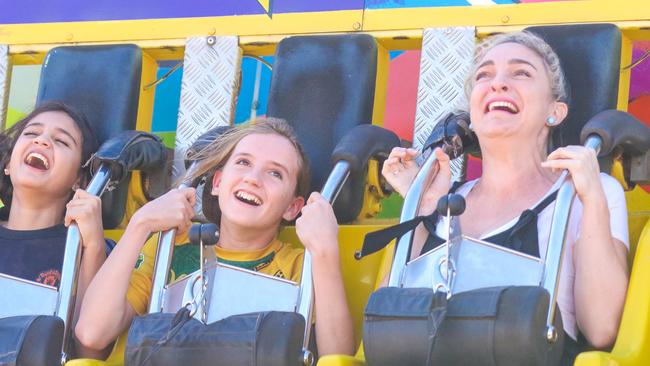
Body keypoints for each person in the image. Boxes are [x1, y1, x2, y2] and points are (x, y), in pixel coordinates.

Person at [382, 31, 628, 362]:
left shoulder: (583, 194)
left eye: (521, 72)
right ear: (469, 117)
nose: (497, 83)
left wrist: (593, 200)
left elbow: (601, 328)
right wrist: (423, 208)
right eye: (485, 75)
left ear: (554, 111)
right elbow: (386, 325)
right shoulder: (437, 204)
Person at [75, 117, 355, 360]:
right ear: (218, 183)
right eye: (244, 162)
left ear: (292, 207)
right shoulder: (167, 249)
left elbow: (338, 358)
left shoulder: (300, 267)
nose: (253, 179)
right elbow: (92, 334)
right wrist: (141, 223)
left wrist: (325, 252)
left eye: (275, 173)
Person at [0, 101, 107, 331]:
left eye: (61, 141)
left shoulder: (86, 249)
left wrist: (95, 248)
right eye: (31, 133)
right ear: (8, 163)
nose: (41, 141)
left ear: (79, 180)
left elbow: (85, 348)